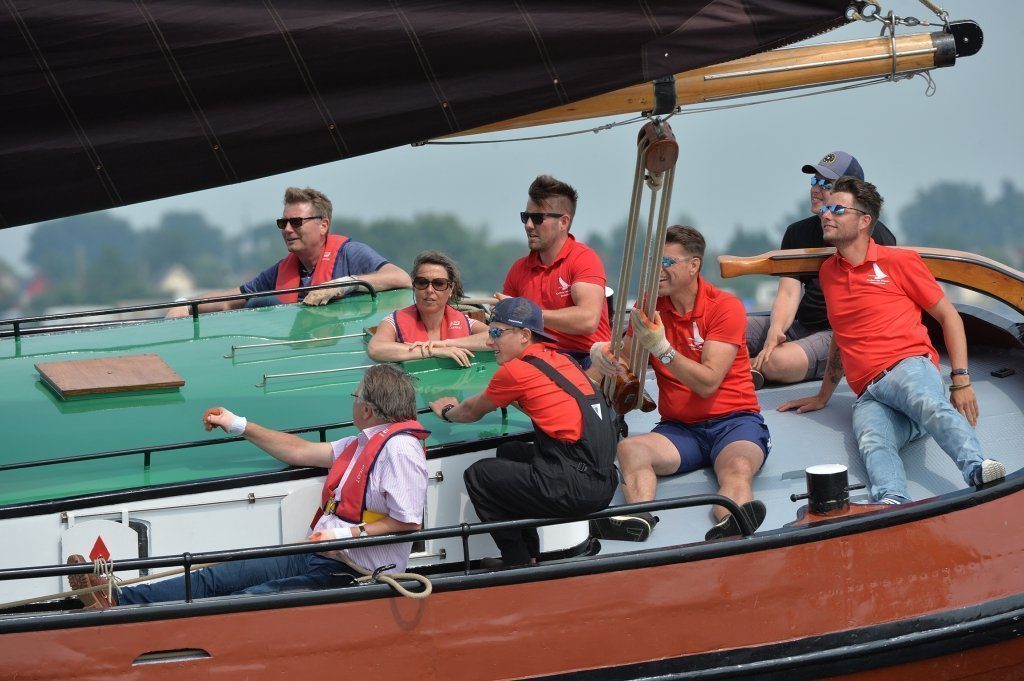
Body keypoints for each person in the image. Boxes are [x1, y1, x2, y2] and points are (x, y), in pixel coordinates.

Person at [68, 364, 429, 608]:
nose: (352, 404)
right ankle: (115, 601)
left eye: (354, 397)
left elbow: (408, 522)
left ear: (366, 408)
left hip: (351, 572)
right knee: (219, 576)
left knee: (251, 599)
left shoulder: (399, 449)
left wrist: (343, 537)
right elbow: (300, 451)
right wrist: (237, 424)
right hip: (316, 557)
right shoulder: (359, 444)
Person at [778, 176, 1005, 504]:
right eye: (826, 208)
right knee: (872, 440)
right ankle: (891, 505)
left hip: (908, 367)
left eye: (837, 209)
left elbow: (949, 317)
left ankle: (977, 468)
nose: (826, 214)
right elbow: (841, 337)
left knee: (926, 402)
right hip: (869, 393)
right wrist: (823, 395)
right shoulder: (828, 273)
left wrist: (961, 381)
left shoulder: (900, 262)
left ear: (864, 220)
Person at [589, 225, 770, 542]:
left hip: (735, 422)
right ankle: (638, 516)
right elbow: (628, 361)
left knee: (738, 467)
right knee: (630, 449)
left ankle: (732, 526)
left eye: (666, 262)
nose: (657, 271)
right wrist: (604, 358)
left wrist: (662, 349)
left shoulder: (724, 307)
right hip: (681, 429)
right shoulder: (649, 306)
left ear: (694, 265)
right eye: (652, 263)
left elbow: (708, 382)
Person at [428, 297, 617, 568]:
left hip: (575, 487)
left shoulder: (515, 372)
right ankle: (530, 554)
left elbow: (470, 412)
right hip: (604, 480)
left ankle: (516, 563)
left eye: (496, 333)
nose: (490, 341)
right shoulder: (561, 361)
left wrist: (446, 410)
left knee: (480, 476)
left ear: (524, 335)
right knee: (510, 452)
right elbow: (548, 401)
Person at [747, 152, 897, 387]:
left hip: (840, 335)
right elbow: (788, 293)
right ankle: (735, 365)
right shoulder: (797, 233)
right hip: (801, 325)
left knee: (775, 362)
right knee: (723, 327)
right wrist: (774, 332)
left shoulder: (877, 237)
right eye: (813, 182)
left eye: (825, 184)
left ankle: (732, 368)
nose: (815, 189)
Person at [166, 187, 411, 317]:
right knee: (260, 302)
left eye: (296, 222)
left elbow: (401, 278)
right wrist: (186, 305)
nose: (287, 230)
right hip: (292, 357)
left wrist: (342, 285)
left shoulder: (351, 253)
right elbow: (230, 300)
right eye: (283, 223)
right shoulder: (279, 271)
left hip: (343, 358)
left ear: (323, 225)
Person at [497, 175, 611, 368]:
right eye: (526, 217)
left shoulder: (584, 259)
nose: (528, 225)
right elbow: (501, 329)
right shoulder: (518, 269)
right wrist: (444, 344)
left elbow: (588, 320)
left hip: (584, 360)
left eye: (538, 218)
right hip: (538, 361)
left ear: (563, 222)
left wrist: (529, 315)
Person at [368, 250, 490, 367]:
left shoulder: (466, 322)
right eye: (422, 282)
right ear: (414, 286)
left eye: (439, 284)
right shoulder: (392, 323)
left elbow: (497, 337)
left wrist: (446, 344)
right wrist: (432, 351)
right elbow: (376, 348)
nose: (429, 290)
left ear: (451, 289)